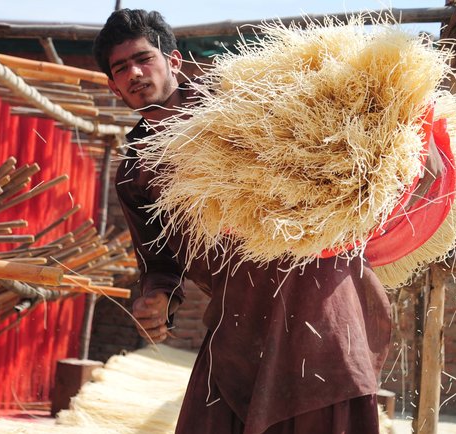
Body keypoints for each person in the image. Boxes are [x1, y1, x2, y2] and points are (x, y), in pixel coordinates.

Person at [93, 9, 413, 433]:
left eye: (143, 58)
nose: (135, 72)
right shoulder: (135, 171)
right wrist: (159, 295)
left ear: (174, 61)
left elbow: (345, 143)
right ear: (112, 86)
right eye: (122, 68)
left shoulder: (240, 96)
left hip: (316, 294)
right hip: (238, 321)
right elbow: (158, 260)